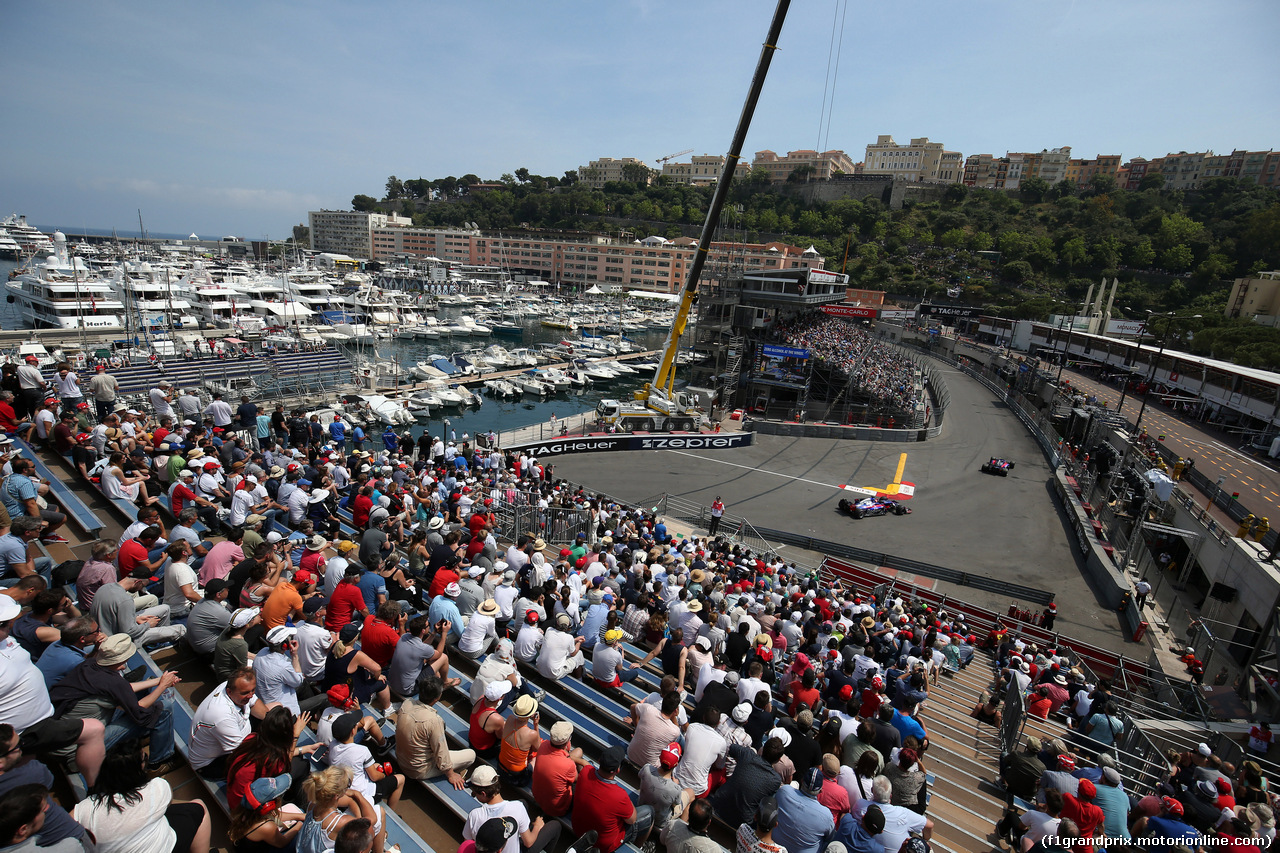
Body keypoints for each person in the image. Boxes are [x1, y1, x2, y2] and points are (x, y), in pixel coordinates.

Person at [48, 632, 180, 774]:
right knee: (164, 708)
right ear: (121, 662)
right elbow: (139, 710)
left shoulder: (89, 665)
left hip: (62, 737)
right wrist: (162, 686)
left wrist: (156, 681)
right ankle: (158, 763)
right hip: (77, 751)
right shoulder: (113, 682)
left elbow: (123, 689)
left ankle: (141, 736)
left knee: (142, 693)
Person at [71, 740, 211, 853]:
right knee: (199, 807)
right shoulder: (158, 788)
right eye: (144, 758)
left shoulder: (86, 808)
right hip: (165, 848)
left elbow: (66, 826)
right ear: (138, 769)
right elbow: (168, 804)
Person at [395, 672, 475, 788]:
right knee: (471, 755)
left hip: (401, 758)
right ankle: (454, 773)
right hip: (418, 769)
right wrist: (451, 774)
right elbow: (440, 752)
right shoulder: (434, 721)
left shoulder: (407, 703)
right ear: (437, 698)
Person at [572, 745, 652, 853]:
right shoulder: (620, 795)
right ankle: (640, 848)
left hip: (579, 830)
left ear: (599, 761)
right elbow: (632, 820)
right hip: (603, 845)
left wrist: (573, 758)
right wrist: (627, 803)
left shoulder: (586, 772)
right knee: (650, 812)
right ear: (617, 770)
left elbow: (586, 764)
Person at [465, 764, 561, 853]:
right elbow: (528, 842)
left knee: (523, 802)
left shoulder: (474, 815)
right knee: (555, 825)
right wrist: (537, 827)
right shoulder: (517, 807)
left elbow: (468, 842)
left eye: (474, 793)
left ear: (483, 793)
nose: (474, 795)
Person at [327, 711, 404, 809]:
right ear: (353, 731)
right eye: (355, 725)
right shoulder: (362, 751)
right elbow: (375, 777)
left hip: (343, 786)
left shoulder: (332, 744)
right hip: (363, 793)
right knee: (401, 779)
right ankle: (391, 811)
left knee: (375, 765)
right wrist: (383, 774)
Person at [299, 766, 384, 853]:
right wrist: (358, 794)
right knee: (379, 812)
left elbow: (350, 801)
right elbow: (372, 819)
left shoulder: (314, 803)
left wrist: (358, 819)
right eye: (347, 786)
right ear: (336, 795)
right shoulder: (340, 821)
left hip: (304, 849)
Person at [227, 772, 306, 852]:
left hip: (249, 844)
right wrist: (300, 824)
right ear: (268, 806)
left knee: (301, 812)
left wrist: (300, 816)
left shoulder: (249, 811)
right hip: (271, 845)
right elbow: (282, 842)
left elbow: (275, 816)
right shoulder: (266, 826)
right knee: (302, 835)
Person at [532, 721, 586, 819]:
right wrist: (581, 762)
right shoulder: (567, 764)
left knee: (578, 751)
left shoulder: (543, 746)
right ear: (567, 741)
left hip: (538, 797)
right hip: (558, 808)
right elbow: (577, 779)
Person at [773, 768, 836, 853]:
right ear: (820, 791)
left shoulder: (784, 791)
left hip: (775, 847)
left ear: (802, 781)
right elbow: (829, 837)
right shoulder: (826, 815)